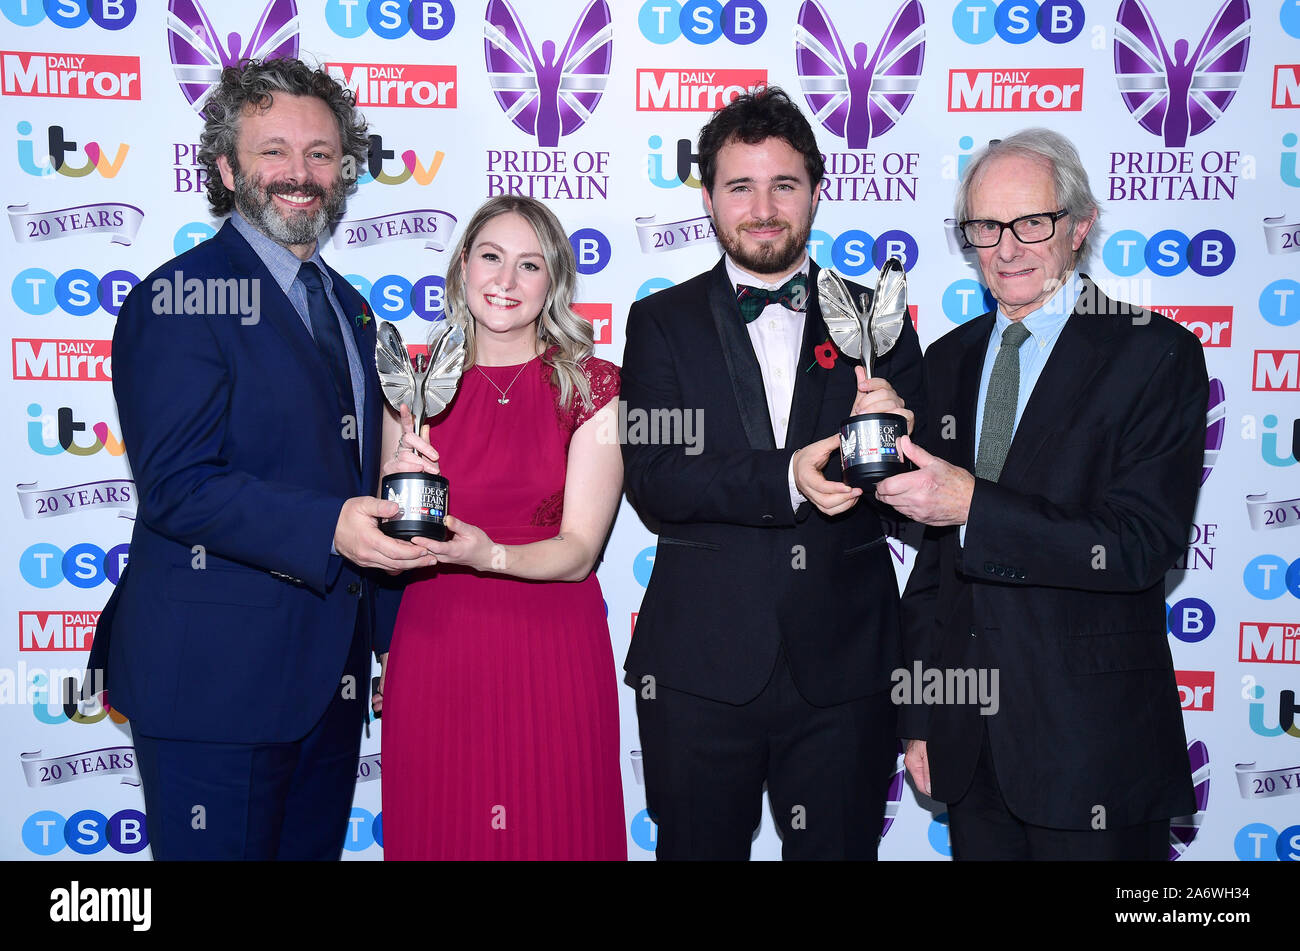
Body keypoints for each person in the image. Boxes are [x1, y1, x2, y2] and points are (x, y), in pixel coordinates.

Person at [85, 58, 432, 860]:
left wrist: (388, 638)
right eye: (273, 150)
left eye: (321, 153)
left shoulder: (348, 305)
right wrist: (334, 527)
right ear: (226, 168)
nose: (300, 174)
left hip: (328, 681)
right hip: (213, 681)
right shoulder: (180, 298)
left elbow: (351, 479)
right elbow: (177, 487)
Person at [881, 128, 1206, 860]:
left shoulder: (1155, 354)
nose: (1007, 247)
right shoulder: (949, 359)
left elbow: (1137, 544)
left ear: (1080, 224)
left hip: (1093, 748)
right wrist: (922, 711)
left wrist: (975, 505)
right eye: (985, 227)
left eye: (1032, 222)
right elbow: (933, 569)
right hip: (970, 746)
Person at [620, 86, 924, 860]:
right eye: (740, 186)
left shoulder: (877, 318)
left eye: (783, 184)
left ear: (816, 191)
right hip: (697, 669)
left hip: (847, 669)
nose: (762, 207)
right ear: (710, 198)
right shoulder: (661, 322)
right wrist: (785, 476)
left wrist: (895, 435)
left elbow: (921, 498)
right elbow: (655, 478)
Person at [376, 195, 626, 860]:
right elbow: (387, 537)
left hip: (551, 647)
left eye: (529, 265)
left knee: (556, 830)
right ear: (462, 266)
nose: (506, 282)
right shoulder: (410, 386)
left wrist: (490, 554)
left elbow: (578, 551)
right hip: (437, 646)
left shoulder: (593, 386)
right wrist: (397, 479)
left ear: (554, 283)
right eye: (491, 257)